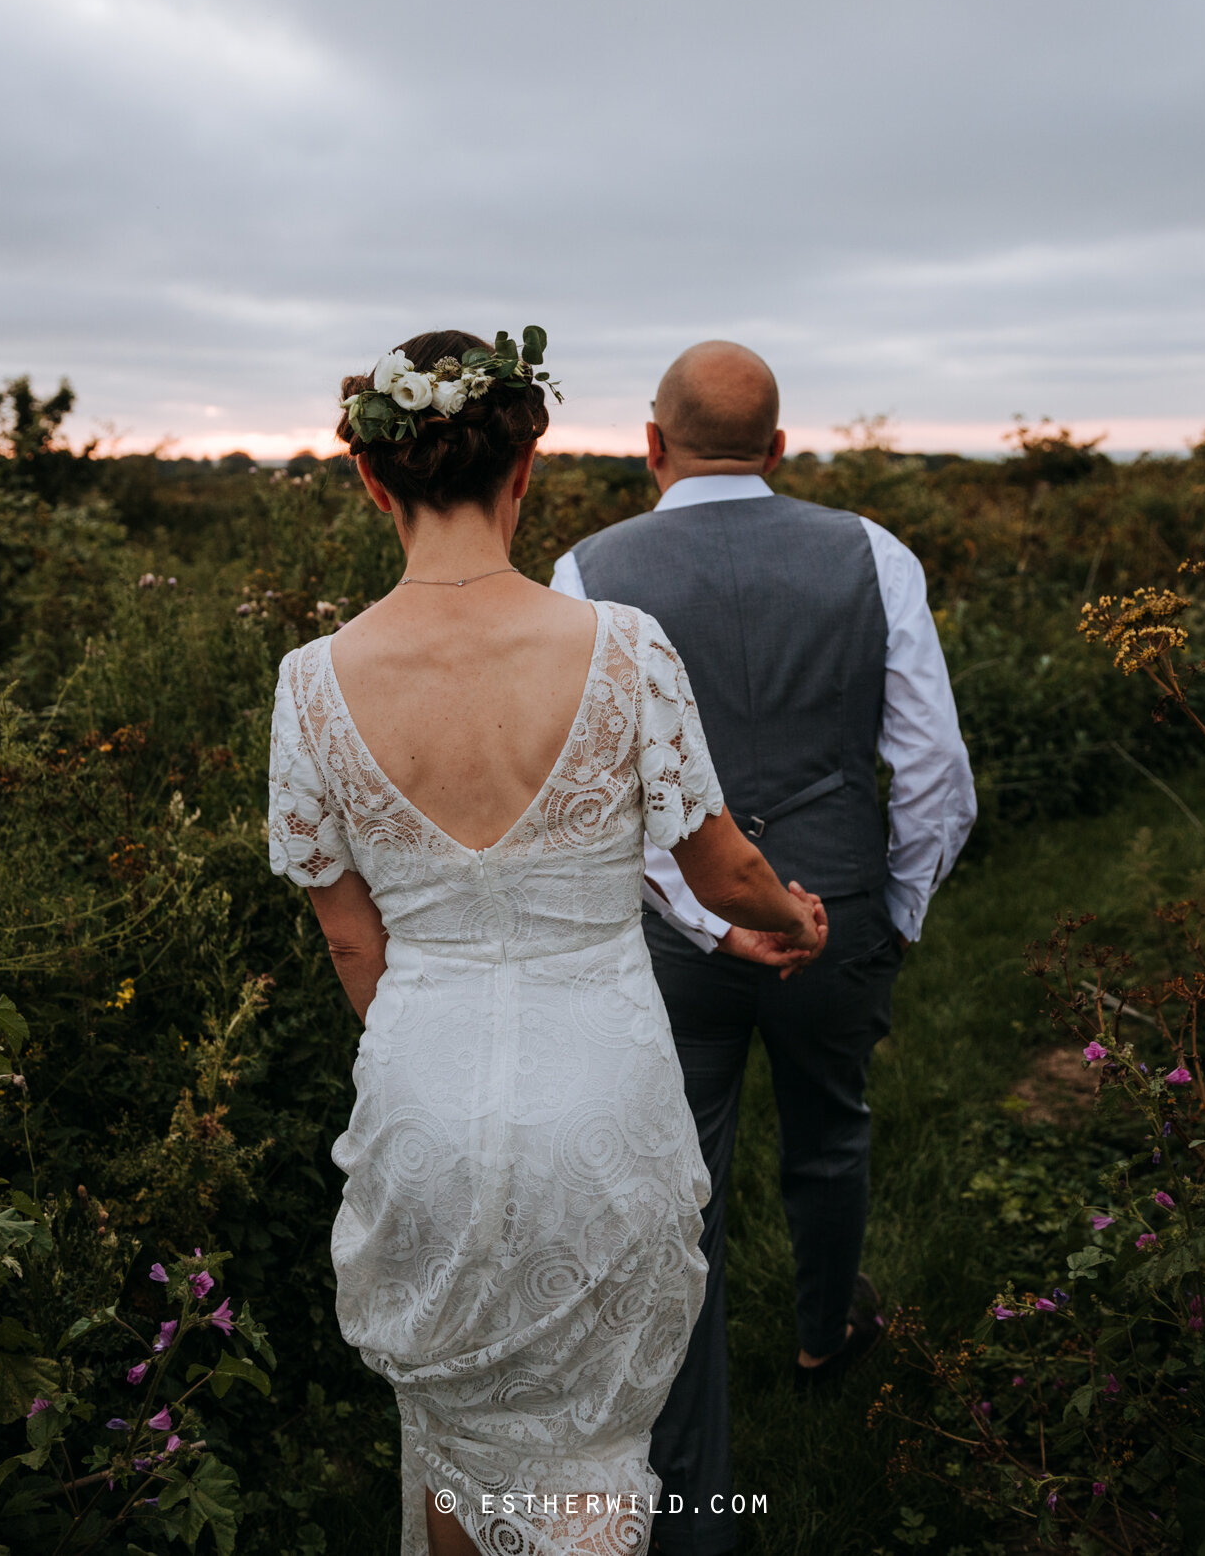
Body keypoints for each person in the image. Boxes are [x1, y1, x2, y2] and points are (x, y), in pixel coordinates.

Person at [266, 328, 830, 1556]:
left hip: (421, 1096)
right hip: (603, 1098)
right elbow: (717, 863)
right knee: (585, 1456)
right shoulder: (622, 648)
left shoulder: (310, 681)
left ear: (373, 478)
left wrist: (436, 1040)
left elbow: (352, 941)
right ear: (528, 466)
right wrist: (790, 916)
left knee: (452, 1435)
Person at [551, 340, 976, 1556]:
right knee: (831, 1130)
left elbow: (594, 795)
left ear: (651, 446)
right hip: (833, 914)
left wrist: (690, 916)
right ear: (779, 447)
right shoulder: (870, 551)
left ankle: (688, 1476)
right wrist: (891, 908)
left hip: (676, 941)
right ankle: (824, 1328)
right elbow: (936, 770)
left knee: (677, 1186)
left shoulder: (586, 570)